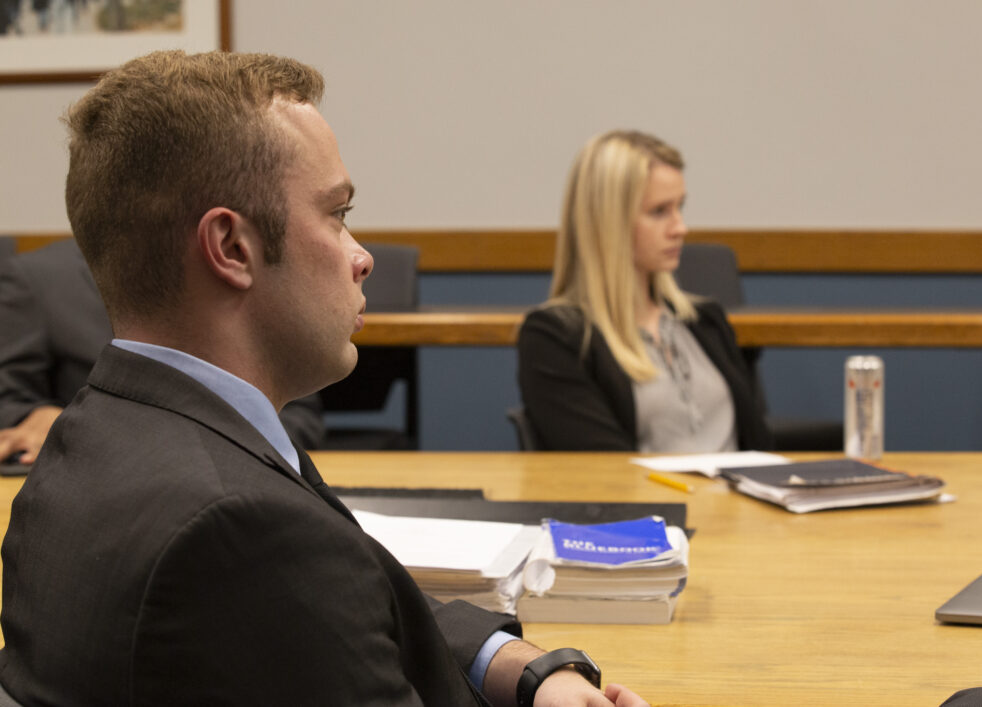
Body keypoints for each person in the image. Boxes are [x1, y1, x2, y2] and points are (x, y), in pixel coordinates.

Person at [0, 51, 648, 706]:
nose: (361, 255)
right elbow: (303, 584)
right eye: (338, 214)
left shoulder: (93, 440)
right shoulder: (240, 528)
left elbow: (336, 604)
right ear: (230, 247)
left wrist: (511, 662)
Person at [517, 130, 772, 452]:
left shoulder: (704, 320)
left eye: (680, 207)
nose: (680, 228)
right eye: (659, 211)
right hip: (655, 503)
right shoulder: (557, 337)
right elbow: (604, 474)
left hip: (742, 501)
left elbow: (759, 448)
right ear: (608, 221)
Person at [0, 238, 326, 465]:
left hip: (248, 481)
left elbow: (301, 417)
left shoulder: (247, 271)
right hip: (99, 492)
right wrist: (43, 417)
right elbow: (7, 399)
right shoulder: (38, 280)